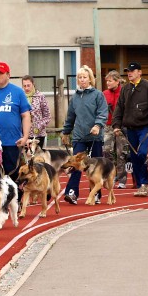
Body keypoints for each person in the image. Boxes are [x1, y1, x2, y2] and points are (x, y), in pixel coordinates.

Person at [111, 62, 148, 197]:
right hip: (130, 128)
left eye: (132, 71)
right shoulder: (125, 89)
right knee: (134, 157)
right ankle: (141, 185)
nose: (129, 73)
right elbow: (119, 108)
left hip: (145, 127)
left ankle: (145, 183)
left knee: (142, 153)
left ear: (139, 72)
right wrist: (116, 125)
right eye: (128, 71)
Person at [60, 65, 108, 204]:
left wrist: (97, 125)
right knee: (75, 164)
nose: (82, 80)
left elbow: (103, 112)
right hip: (79, 136)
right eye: (80, 77)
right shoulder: (75, 97)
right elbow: (70, 116)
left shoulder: (98, 95)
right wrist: (66, 132)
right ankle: (72, 192)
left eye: (84, 77)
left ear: (90, 79)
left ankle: (96, 194)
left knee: (96, 167)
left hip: (95, 136)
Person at [0, 62, 32, 181]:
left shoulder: (18, 92)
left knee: (12, 177)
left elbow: (26, 116)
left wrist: (25, 137)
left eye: (0, 73)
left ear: (8, 75)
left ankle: (16, 199)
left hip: (11, 143)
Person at [102, 70, 129, 189]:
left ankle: (122, 178)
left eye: (110, 81)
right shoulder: (104, 94)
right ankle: (111, 176)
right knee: (106, 150)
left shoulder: (124, 92)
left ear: (117, 81)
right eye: (106, 81)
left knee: (121, 153)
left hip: (121, 126)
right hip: (108, 126)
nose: (107, 83)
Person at [22, 75, 51, 149]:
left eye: (28, 85)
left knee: (38, 159)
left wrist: (39, 126)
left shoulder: (40, 96)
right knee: (26, 159)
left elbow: (47, 116)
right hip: (25, 135)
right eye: (24, 86)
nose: (26, 88)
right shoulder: (21, 97)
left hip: (38, 135)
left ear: (33, 84)